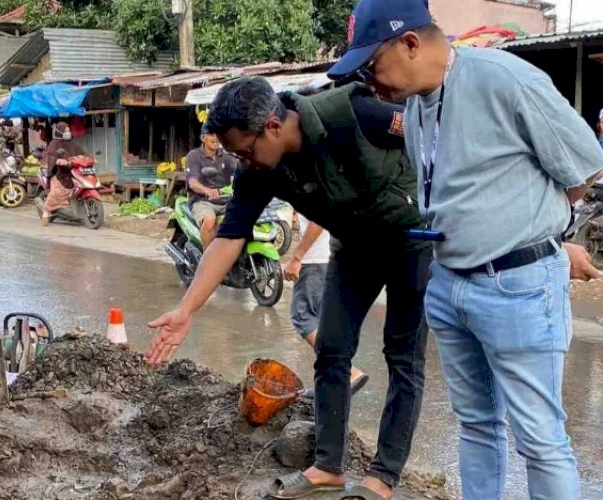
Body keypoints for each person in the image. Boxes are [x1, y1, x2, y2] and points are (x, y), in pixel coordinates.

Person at [328, 1, 603, 499]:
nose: (370, 80)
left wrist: (534, 229)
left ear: (410, 43)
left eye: (373, 64)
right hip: (451, 283)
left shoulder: (505, 80)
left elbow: (583, 167)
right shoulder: (414, 107)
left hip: (516, 285)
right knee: (476, 424)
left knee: (540, 439)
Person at [147, 76, 431, 500]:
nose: (243, 161)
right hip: (354, 247)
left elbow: (435, 137)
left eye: (244, 149)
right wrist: (187, 309)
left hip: (411, 242)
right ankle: (328, 466)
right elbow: (229, 237)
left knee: (402, 357)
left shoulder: (354, 114)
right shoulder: (257, 170)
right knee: (332, 349)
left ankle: (383, 477)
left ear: (273, 127)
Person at [285, 214, 368, 400]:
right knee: (323, 323)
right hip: (327, 259)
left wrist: (297, 257)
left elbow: (318, 220)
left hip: (313, 261)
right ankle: (329, 383)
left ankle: (348, 371)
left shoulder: (312, 186)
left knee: (303, 317)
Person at [185, 125, 238, 248]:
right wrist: (207, 190)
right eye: (211, 135)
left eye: (218, 135)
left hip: (225, 200)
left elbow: (235, 176)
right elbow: (192, 182)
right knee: (209, 220)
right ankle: (208, 259)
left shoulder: (227, 156)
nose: (216, 138)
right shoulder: (194, 156)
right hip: (202, 201)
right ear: (203, 138)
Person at [41, 122, 86, 226]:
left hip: (73, 172)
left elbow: (82, 153)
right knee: (56, 193)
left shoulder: (73, 143)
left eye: (68, 130)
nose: (68, 133)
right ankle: (46, 211)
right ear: (60, 132)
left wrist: (87, 159)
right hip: (59, 173)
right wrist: (58, 161)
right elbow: (51, 157)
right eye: (65, 131)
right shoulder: (54, 143)